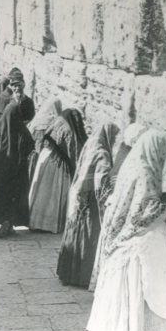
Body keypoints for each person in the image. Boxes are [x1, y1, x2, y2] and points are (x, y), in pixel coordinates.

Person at [86, 130, 166, 331]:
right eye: (161, 155)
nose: (162, 160)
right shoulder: (146, 171)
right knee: (146, 281)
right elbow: (147, 210)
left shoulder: (133, 164)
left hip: (123, 233)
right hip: (139, 236)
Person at [57, 123, 120, 288]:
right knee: (88, 238)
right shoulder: (102, 153)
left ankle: (68, 274)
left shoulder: (90, 147)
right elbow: (102, 181)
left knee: (75, 235)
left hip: (80, 198)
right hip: (91, 202)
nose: (114, 141)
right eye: (114, 137)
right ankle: (82, 277)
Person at [29, 108, 86, 233]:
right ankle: (51, 224)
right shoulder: (68, 130)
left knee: (44, 192)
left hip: (47, 157)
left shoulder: (56, 123)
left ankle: (39, 222)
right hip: (59, 164)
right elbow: (72, 152)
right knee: (54, 194)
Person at [0, 101, 35, 238]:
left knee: (2, 196)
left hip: (0, 171)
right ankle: (9, 222)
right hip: (17, 172)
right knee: (15, 197)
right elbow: (30, 145)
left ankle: (5, 222)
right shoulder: (22, 129)